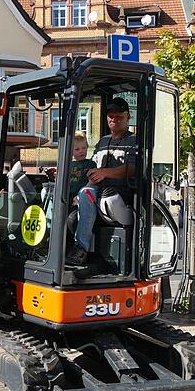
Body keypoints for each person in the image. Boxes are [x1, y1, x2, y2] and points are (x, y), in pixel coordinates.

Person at [67, 97, 135, 267]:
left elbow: (133, 168)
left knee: (90, 195)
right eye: (111, 116)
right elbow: (95, 168)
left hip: (121, 192)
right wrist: (87, 185)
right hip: (98, 189)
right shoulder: (103, 141)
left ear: (128, 117)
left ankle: (81, 249)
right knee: (70, 213)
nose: (114, 119)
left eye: (119, 116)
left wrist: (104, 173)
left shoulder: (134, 141)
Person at [69, 131, 97, 206]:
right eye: (77, 149)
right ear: (71, 151)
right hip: (67, 196)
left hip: (83, 196)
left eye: (84, 148)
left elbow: (92, 181)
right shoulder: (68, 165)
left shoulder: (90, 164)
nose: (81, 151)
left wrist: (80, 195)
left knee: (72, 217)